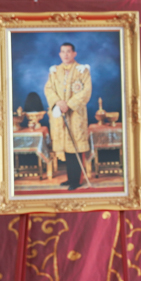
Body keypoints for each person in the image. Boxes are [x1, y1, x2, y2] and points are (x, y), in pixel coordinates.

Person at [44, 42, 92, 190]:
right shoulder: (55, 71)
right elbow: (48, 88)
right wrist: (58, 103)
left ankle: (77, 180)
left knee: (75, 147)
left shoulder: (82, 70)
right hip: (60, 114)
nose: (65, 54)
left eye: (68, 51)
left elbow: (86, 91)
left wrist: (69, 105)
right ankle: (71, 178)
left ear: (74, 53)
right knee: (66, 148)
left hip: (75, 115)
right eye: (63, 52)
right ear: (60, 54)